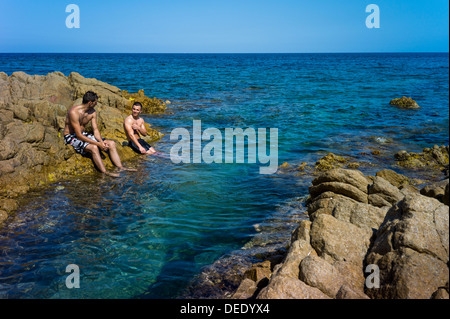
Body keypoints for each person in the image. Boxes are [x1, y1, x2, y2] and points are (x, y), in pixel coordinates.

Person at [63, 91, 136, 177]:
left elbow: (95, 130)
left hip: (83, 134)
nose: (96, 104)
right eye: (95, 102)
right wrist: (97, 144)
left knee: (111, 143)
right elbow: (78, 135)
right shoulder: (74, 112)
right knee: (94, 148)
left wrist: (101, 141)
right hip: (71, 136)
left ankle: (120, 167)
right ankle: (105, 172)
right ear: (90, 103)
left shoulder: (92, 111)